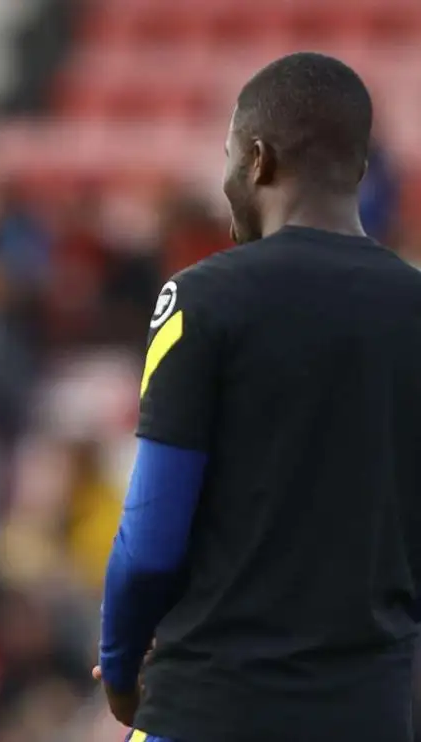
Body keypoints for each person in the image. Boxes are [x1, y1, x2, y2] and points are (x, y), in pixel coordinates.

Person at [95, 51, 421, 742]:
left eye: (227, 156)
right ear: (358, 170)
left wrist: (121, 665)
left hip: (212, 708)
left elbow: (151, 539)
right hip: (372, 713)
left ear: (259, 161)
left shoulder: (202, 298)